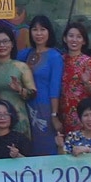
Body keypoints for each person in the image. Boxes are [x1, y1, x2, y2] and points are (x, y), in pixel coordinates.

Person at [0, 27, 35, 138]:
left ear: (12, 44)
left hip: (19, 120)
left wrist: (20, 90)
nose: (2, 45)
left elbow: (32, 93)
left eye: (5, 41)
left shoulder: (21, 67)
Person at [19, 16, 63, 154]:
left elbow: (55, 88)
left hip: (45, 108)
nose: (38, 34)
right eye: (35, 30)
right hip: (25, 107)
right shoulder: (24, 54)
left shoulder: (55, 56)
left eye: (42, 29)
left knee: (45, 145)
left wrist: (54, 115)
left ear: (49, 32)